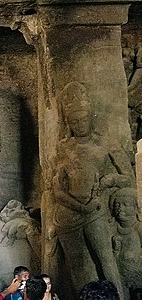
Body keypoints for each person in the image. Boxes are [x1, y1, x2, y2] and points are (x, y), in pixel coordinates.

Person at [53, 82, 130, 297]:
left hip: (96, 210)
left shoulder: (106, 143)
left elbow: (129, 180)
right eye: (74, 121)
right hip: (69, 213)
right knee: (76, 266)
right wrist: (79, 206)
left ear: (91, 117)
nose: (79, 124)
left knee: (106, 260)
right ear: (68, 123)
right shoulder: (64, 147)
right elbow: (57, 189)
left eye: (83, 119)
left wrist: (111, 179)